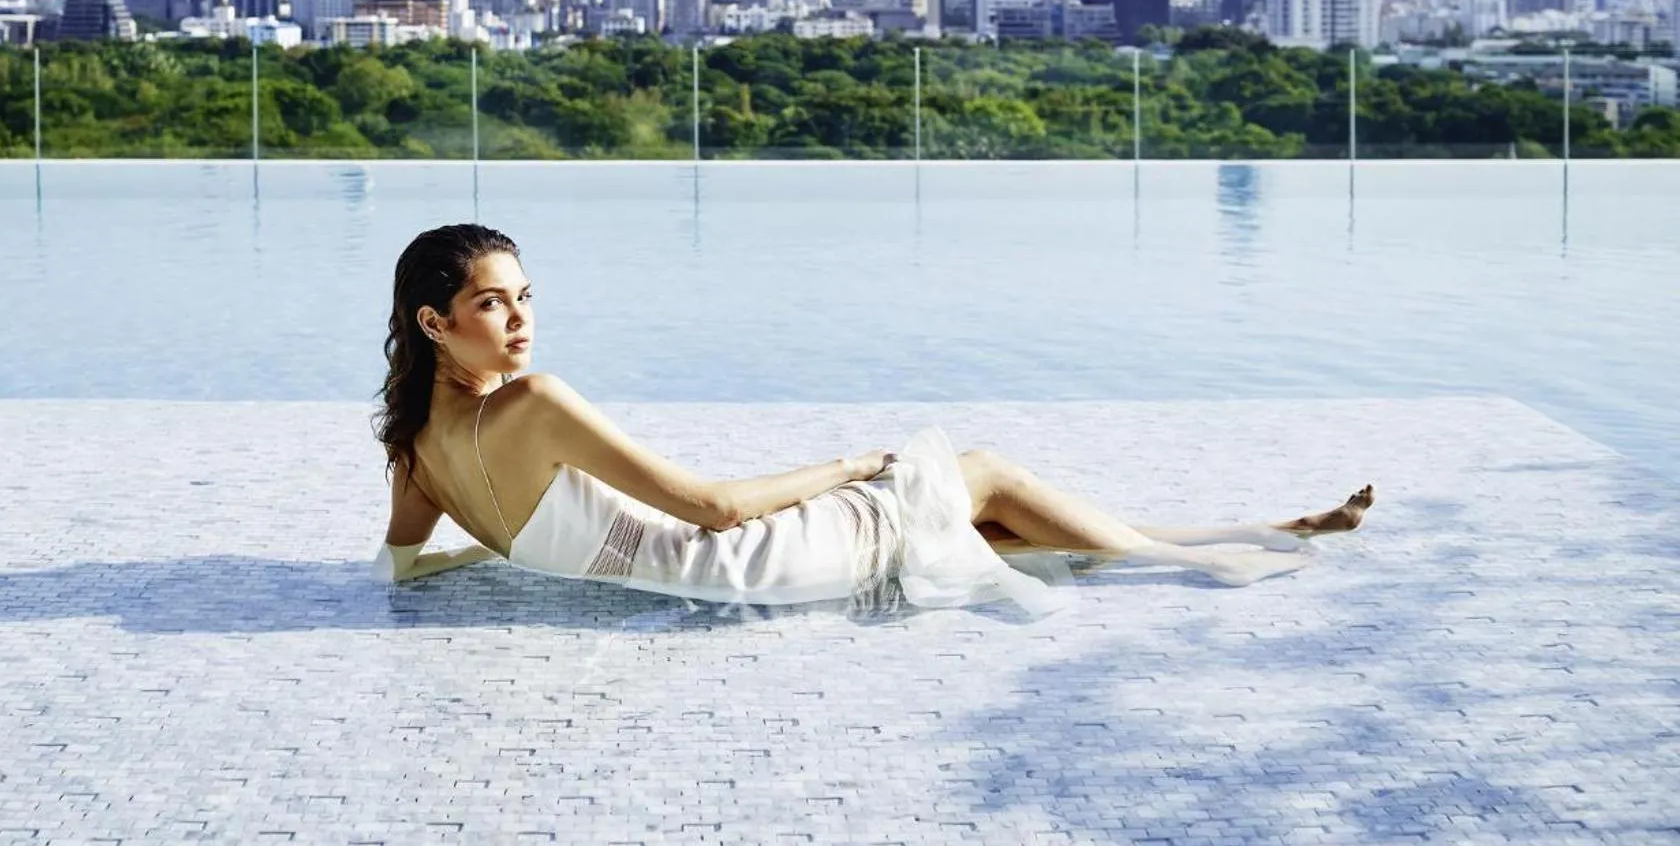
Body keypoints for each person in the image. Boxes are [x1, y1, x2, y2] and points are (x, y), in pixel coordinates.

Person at [373, 224, 1372, 612]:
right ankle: (1203, 565)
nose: (519, 323)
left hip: (684, 571)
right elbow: (718, 510)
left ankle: (1254, 529)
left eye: (524, 297)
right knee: (972, 470)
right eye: (491, 305)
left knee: (974, 522)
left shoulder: (413, 450)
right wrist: (845, 465)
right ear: (435, 321)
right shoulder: (535, 405)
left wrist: (501, 556)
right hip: (738, 566)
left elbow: (404, 567)